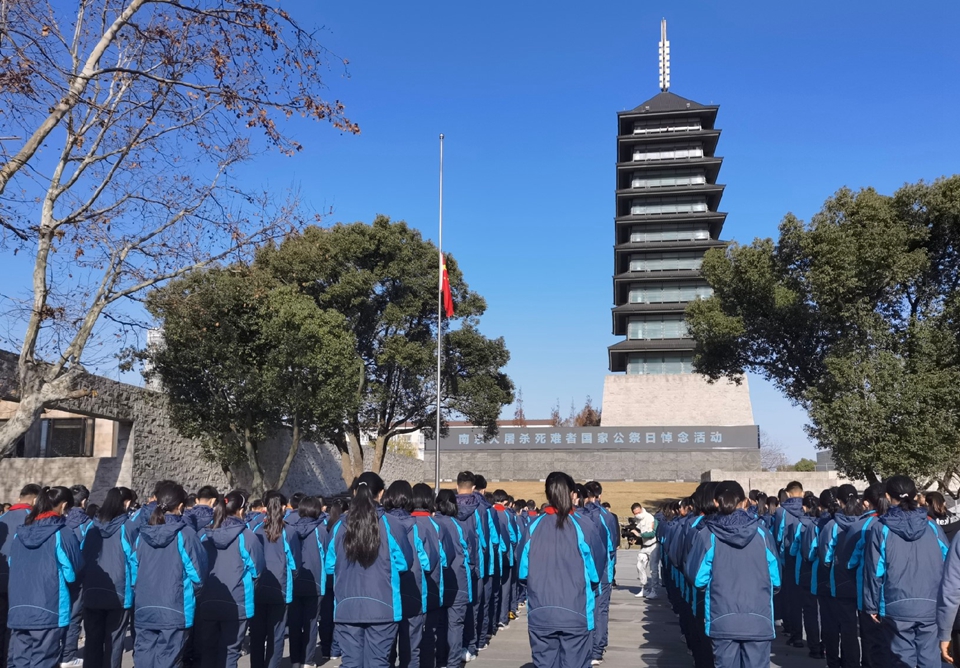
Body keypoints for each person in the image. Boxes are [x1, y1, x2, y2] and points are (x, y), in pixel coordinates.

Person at [683, 481, 779, 668]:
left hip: (722, 617)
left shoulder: (707, 534)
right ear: (744, 502)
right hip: (759, 617)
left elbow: (698, 578)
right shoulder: (762, 533)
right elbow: (775, 579)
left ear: (716, 502)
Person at [325, 472, 412, 668]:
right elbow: (404, 562)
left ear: (355, 491)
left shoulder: (339, 526)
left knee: (351, 663)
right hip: (384, 605)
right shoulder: (392, 524)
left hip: (346, 606)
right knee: (378, 663)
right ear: (381, 493)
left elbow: (329, 566)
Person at [519, 472, 600, 668]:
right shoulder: (583, 525)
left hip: (541, 611)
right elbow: (596, 570)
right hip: (576, 610)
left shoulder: (533, 527)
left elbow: (522, 572)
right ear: (573, 494)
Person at [863, 475, 946, 668]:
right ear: (916, 496)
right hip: (931, 602)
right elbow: (948, 560)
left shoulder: (881, 528)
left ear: (887, 496)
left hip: (896, 603)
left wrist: (871, 605)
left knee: (901, 659)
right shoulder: (931, 526)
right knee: (930, 657)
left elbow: (875, 571)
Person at [6, 486, 83, 668]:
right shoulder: (62, 533)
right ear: (63, 506)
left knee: (19, 660)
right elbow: (72, 572)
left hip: (18, 606)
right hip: (49, 606)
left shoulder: (20, 532)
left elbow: (11, 563)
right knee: (44, 660)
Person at [133, 481, 207, 667]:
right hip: (175, 607)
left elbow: (134, 570)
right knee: (169, 661)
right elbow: (198, 576)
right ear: (181, 507)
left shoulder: (142, 535)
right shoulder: (185, 534)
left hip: (144, 606)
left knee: (143, 658)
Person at [195, 489, 264, 668]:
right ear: (241, 510)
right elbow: (257, 570)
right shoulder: (247, 536)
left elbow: (197, 565)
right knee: (230, 652)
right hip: (237, 602)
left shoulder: (204, 534)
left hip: (207, 599)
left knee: (208, 651)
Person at [82, 486, 137, 668]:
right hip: (119, 592)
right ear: (127, 503)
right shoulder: (127, 527)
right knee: (114, 641)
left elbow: (83, 554)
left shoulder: (91, 526)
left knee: (92, 641)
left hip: (91, 589)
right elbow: (134, 560)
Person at [383, 480, 435, 668]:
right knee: (412, 648)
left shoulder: (380, 523)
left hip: (386, 594)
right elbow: (429, 562)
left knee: (385, 649)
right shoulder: (417, 525)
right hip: (413, 591)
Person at [251, 490, 300, 668]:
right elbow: (295, 565)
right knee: (276, 635)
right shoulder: (289, 532)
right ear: (282, 507)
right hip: (281, 589)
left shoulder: (254, 529)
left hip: (258, 588)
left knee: (257, 635)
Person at [818, 485, 860, 668]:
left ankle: (835, 662)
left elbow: (825, 557)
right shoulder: (865, 522)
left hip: (840, 582)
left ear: (839, 501)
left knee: (841, 626)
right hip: (865, 583)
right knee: (862, 630)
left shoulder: (832, 525)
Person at [0, 483, 41, 668]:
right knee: (16, 629)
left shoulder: (3, 517)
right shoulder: (33, 519)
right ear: (34, 499)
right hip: (20, 582)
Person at [581, 481, 618, 665]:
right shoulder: (607, 516)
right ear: (599, 495)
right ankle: (597, 650)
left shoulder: (579, 515)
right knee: (601, 610)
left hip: (584, 572)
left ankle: (588, 647)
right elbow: (612, 547)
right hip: (603, 571)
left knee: (586, 608)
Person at [434, 488, 472, 668]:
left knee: (440, 625)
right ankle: (453, 663)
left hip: (438, 581)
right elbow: (468, 553)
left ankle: (440, 660)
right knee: (455, 626)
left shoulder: (432, 523)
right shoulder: (459, 525)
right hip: (459, 581)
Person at [411, 483, 447, 668]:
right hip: (431, 589)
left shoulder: (403, 522)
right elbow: (440, 559)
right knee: (427, 640)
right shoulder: (435, 525)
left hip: (406, 593)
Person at [288, 496, 326, 668]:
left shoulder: (291, 529)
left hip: (294, 581)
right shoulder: (321, 530)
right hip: (316, 583)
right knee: (311, 623)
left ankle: (295, 659)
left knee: (295, 622)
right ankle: (308, 660)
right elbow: (327, 555)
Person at [60, 484, 93, 667]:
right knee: (74, 616)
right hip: (79, 575)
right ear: (84, 501)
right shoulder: (87, 525)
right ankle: (68, 655)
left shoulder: (60, 521)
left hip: (59, 574)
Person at [455, 471, 485, 663]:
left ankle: (454, 648)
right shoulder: (481, 508)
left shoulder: (447, 504)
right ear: (474, 487)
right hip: (474, 564)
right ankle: (470, 646)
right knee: (473, 607)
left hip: (454, 564)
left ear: (457, 485)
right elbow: (484, 538)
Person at [630, 502, 659, 599]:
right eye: (634, 513)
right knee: (639, 565)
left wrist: (639, 535)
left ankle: (654, 590)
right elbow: (639, 531)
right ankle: (644, 588)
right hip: (644, 546)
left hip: (653, 545)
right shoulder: (638, 520)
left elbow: (652, 533)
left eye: (638, 512)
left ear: (641, 509)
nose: (637, 515)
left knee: (653, 570)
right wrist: (635, 538)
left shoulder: (650, 518)